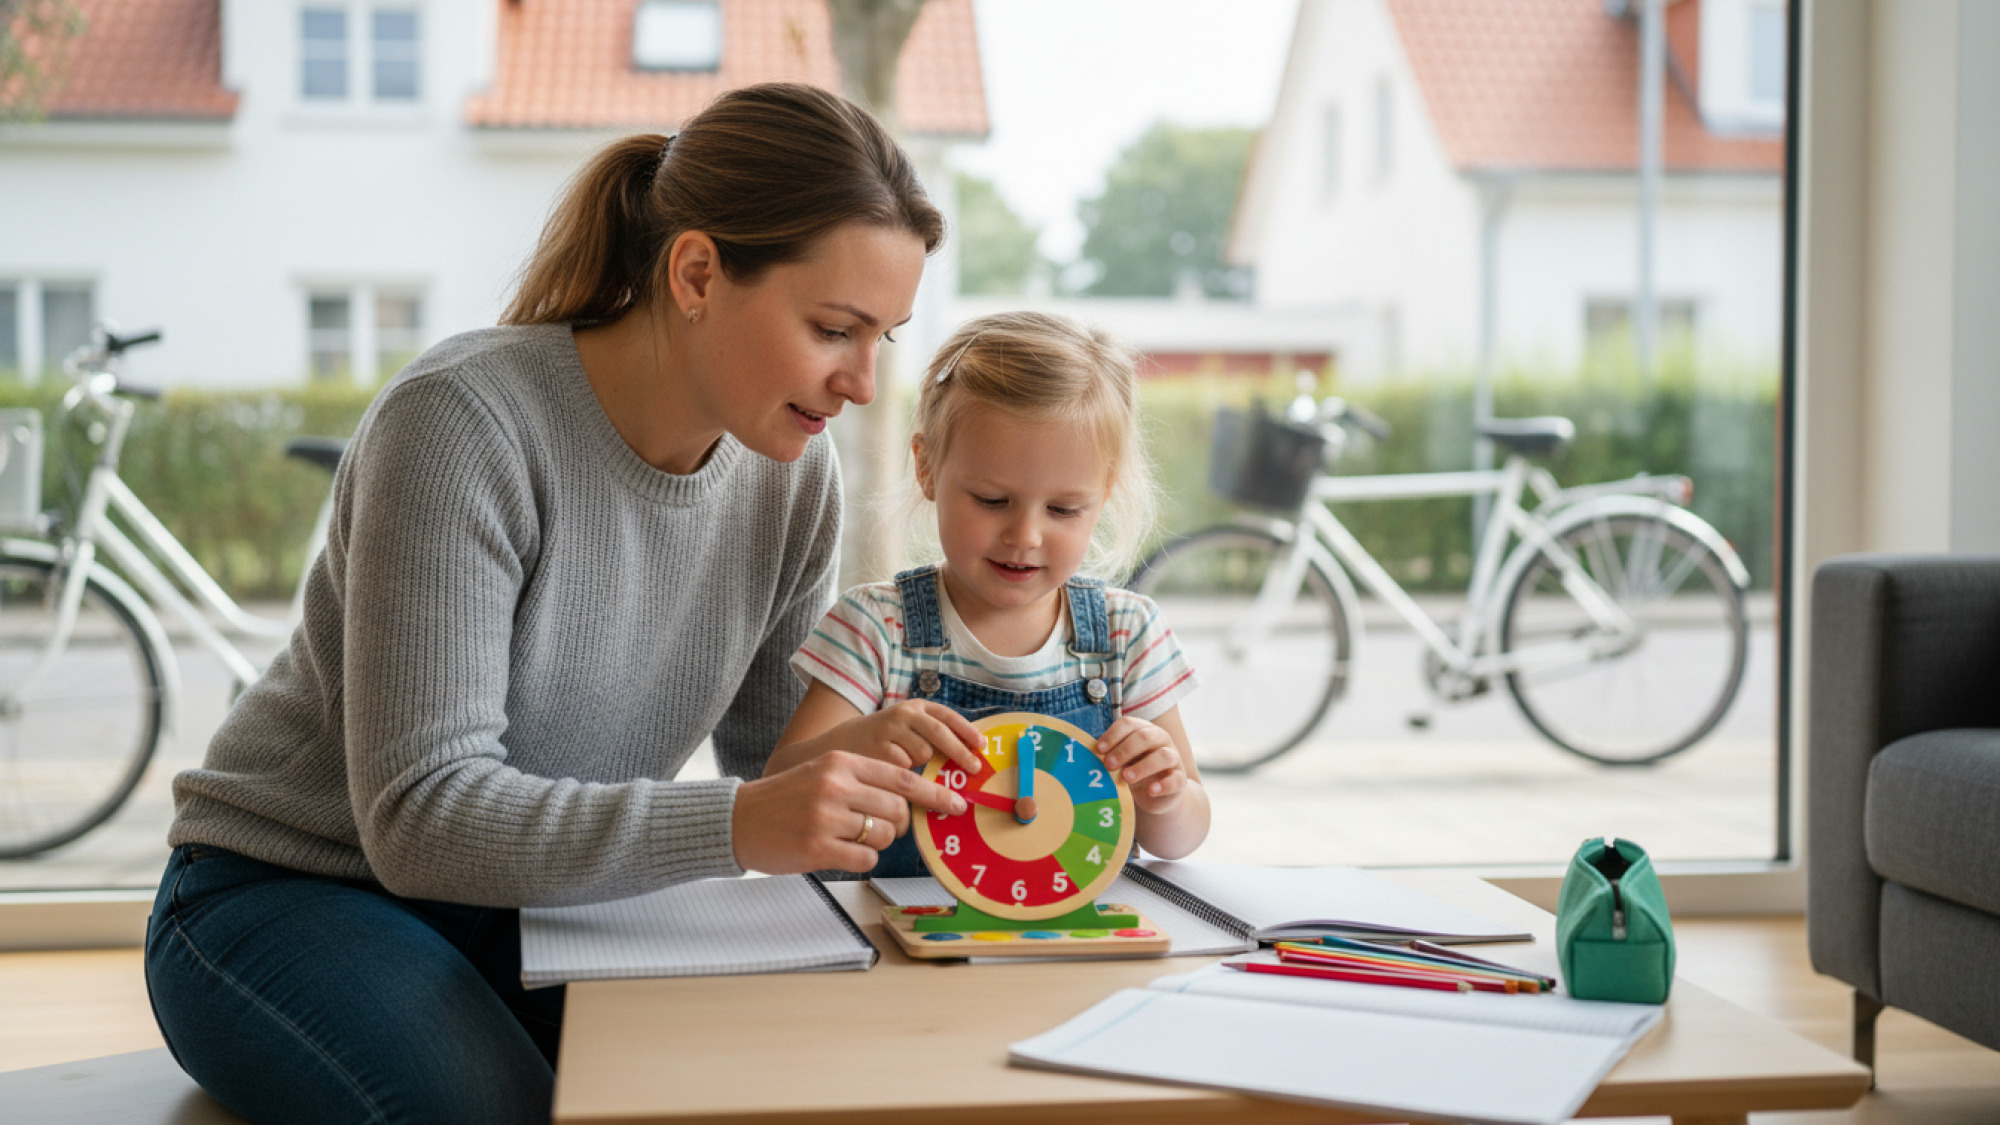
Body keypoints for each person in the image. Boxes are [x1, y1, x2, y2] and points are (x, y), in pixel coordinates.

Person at [143, 83, 982, 1125]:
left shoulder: (789, 470)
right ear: (695, 272)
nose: (859, 382)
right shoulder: (463, 423)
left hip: (542, 903)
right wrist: (745, 820)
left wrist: (894, 766)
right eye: (832, 329)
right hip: (287, 892)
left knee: (783, 1078)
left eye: (883, 339)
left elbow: (770, 764)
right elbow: (418, 819)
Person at [769, 311, 1211, 873]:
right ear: (927, 468)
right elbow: (781, 785)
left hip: (1073, 947)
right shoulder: (878, 627)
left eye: (1063, 509)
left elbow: (1182, 837)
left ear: (1105, 496)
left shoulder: (1127, 635)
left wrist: (1167, 795)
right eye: (991, 500)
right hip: (898, 936)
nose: (1024, 536)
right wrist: (862, 739)